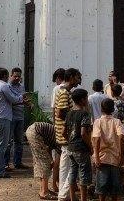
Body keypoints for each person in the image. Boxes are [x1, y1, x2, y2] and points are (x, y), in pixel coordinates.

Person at [0, 67, 26, 178]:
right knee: (1, 146)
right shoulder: (3, 85)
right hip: (3, 118)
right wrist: (21, 98)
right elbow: (13, 99)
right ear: (4, 76)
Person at [64, 88, 93, 201]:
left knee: (72, 173)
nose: (87, 100)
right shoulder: (85, 113)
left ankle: (72, 198)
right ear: (82, 100)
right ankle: (83, 199)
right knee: (83, 176)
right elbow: (83, 133)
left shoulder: (69, 113)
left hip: (71, 148)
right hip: (81, 149)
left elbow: (63, 132)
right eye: (86, 98)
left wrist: (70, 141)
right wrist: (90, 146)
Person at [92, 99, 123, 201]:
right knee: (115, 187)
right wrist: (120, 153)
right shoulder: (117, 122)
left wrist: (96, 157)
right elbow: (120, 136)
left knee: (102, 187)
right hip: (114, 158)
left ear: (101, 109)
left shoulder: (98, 122)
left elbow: (96, 139)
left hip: (102, 158)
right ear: (113, 109)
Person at [55, 68, 78, 200]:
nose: (79, 80)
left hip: (64, 134)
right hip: (66, 134)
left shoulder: (65, 91)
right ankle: (63, 196)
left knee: (65, 167)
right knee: (71, 167)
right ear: (71, 77)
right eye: (77, 77)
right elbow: (60, 113)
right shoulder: (64, 92)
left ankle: (63, 195)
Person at [26, 122, 59, 200]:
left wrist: (51, 160)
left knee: (41, 162)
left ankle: (44, 189)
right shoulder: (62, 144)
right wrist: (55, 185)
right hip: (36, 132)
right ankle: (44, 192)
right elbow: (56, 166)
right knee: (45, 163)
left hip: (31, 130)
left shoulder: (56, 138)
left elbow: (48, 148)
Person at [5, 67, 28, 170]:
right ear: (11, 76)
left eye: (19, 76)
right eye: (15, 76)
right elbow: (11, 101)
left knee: (19, 141)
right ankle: (5, 163)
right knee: (8, 141)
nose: (17, 78)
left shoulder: (21, 86)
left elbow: (23, 98)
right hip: (11, 116)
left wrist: (28, 103)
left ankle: (17, 162)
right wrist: (20, 101)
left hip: (20, 116)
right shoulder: (7, 87)